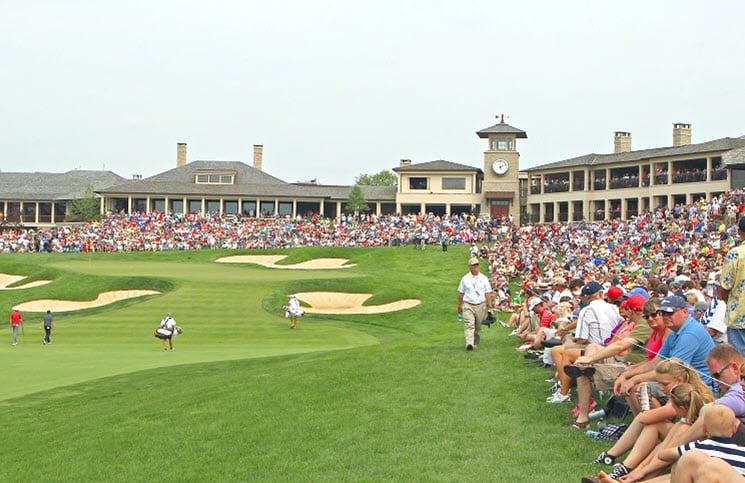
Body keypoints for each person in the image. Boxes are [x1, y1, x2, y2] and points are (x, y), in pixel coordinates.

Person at [457, 256, 494, 351]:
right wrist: (459, 306)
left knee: (478, 327)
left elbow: (488, 293)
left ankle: (475, 342)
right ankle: (469, 343)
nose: (475, 267)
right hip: (468, 304)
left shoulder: (484, 278)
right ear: (469, 266)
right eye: (473, 265)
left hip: (481, 305)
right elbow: (461, 293)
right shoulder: (465, 279)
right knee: (470, 324)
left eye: (477, 265)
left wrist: (490, 307)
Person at [719, 216, 745, 354]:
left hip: (739, 314)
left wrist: (725, 299)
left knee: (740, 362)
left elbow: (725, 286)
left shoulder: (735, 253)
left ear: (740, 232)